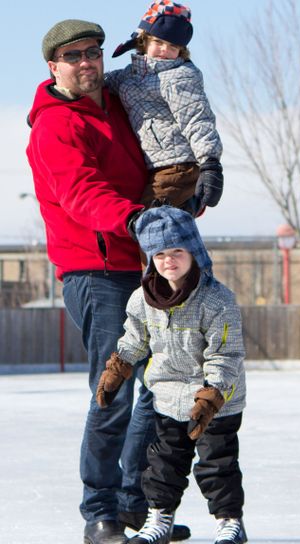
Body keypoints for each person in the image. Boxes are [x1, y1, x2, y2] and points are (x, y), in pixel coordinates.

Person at [26, 19, 190, 544]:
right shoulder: (56, 125)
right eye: (72, 56)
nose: (86, 63)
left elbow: (160, 134)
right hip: (95, 272)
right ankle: (99, 511)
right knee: (114, 390)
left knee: (160, 386)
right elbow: (82, 193)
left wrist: (185, 184)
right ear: (53, 67)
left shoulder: (117, 104)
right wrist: (138, 219)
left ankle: (131, 503)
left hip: (143, 263)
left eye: (92, 52)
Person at [96, 205, 247, 544]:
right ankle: (160, 519)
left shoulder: (216, 299)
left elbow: (226, 352)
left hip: (216, 401)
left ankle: (229, 522)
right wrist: (119, 367)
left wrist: (212, 395)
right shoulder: (142, 299)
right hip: (168, 396)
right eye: (159, 254)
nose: (168, 261)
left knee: (216, 464)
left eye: (177, 251)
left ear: (194, 252)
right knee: (163, 464)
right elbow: (134, 339)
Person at [105, 0, 223, 217]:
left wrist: (210, 163)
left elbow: (196, 118)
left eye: (173, 47)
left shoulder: (179, 76)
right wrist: (56, 99)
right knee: (167, 235)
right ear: (144, 40)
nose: (164, 50)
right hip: (154, 167)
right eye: (159, 42)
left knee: (151, 228)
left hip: (178, 166)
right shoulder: (130, 75)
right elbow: (101, 85)